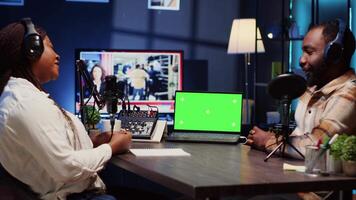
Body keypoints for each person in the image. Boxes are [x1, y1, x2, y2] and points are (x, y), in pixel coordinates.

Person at [0, 19, 132, 200]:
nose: (57, 55)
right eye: (50, 47)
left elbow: (51, 150)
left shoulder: (21, 95)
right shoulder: (25, 102)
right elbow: (66, 168)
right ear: (32, 50)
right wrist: (112, 147)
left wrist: (92, 143)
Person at [247, 19, 356, 200]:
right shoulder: (313, 87)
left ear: (334, 54)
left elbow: (316, 145)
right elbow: (300, 133)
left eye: (309, 52)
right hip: (293, 181)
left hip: (315, 193)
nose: (301, 59)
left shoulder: (350, 93)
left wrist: (268, 141)